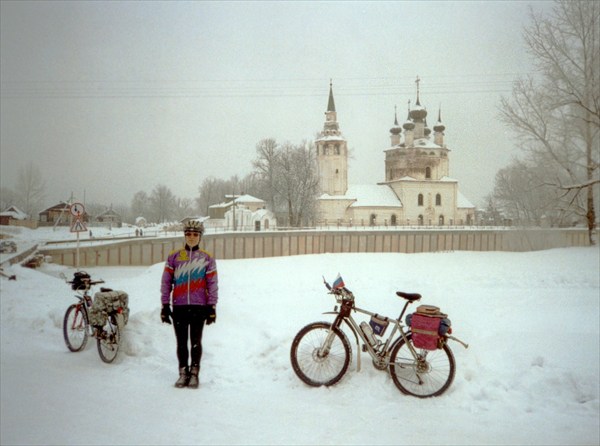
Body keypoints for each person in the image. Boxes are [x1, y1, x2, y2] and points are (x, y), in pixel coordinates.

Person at [160, 220, 218, 389]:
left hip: (199, 306)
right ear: (184, 236)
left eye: (195, 234)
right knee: (181, 342)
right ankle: (183, 373)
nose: (191, 238)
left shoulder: (206, 258)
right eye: (188, 234)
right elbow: (166, 282)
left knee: (196, 342)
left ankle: (194, 374)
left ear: (200, 237)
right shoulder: (175, 257)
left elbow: (212, 283)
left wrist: (211, 307)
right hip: (179, 306)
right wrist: (165, 305)